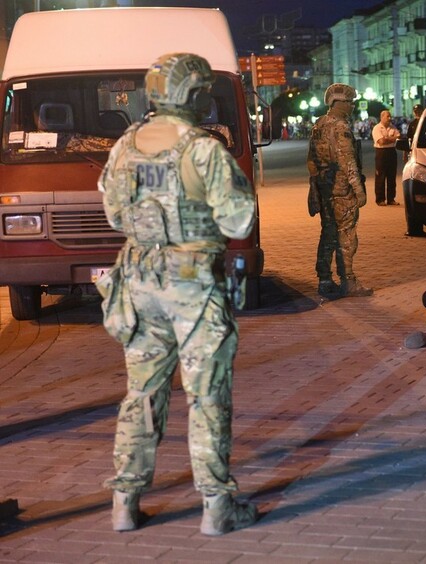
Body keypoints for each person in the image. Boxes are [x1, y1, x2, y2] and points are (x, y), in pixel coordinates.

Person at [96, 53, 258, 535]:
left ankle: (124, 504)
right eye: (204, 89)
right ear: (191, 94)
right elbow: (239, 221)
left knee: (142, 393)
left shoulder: (125, 146)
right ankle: (216, 508)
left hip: (139, 284)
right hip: (192, 288)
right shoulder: (203, 150)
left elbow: (114, 215)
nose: (208, 97)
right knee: (207, 396)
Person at [307, 83, 373, 298]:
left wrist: (315, 188)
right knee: (346, 236)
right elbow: (348, 162)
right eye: (350, 102)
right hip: (342, 192)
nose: (352, 106)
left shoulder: (319, 124)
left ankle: (325, 281)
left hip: (325, 190)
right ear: (339, 103)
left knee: (328, 235)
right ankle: (348, 281)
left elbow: (311, 161)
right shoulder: (341, 127)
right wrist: (359, 190)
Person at [371, 109, 400, 205]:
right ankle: (380, 199)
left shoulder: (393, 127)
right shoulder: (377, 128)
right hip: (381, 153)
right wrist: (392, 139)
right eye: (387, 116)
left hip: (392, 152)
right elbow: (381, 142)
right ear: (382, 117)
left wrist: (387, 139)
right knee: (380, 176)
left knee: (392, 176)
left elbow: (398, 138)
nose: (390, 118)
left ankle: (391, 199)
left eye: (390, 116)